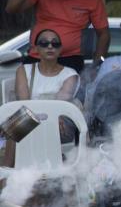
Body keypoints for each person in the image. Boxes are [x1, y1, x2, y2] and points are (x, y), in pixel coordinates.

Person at [4, 28, 80, 167]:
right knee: (17, 125)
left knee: (17, 125)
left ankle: (42, 174)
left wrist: (51, 116)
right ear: (36, 48)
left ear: (60, 48)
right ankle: (6, 175)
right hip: (29, 118)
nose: (50, 46)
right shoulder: (24, 70)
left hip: (59, 121)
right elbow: (24, 103)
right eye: (44, 43)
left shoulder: (70, 74)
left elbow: (60, 105)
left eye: (55, 43)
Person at [5, 0, 109, 73]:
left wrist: (98, 63)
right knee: (27, 90)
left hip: (70, 59)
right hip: (37, 56)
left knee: (67, 92)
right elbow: (10, 9)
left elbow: (104, 34)